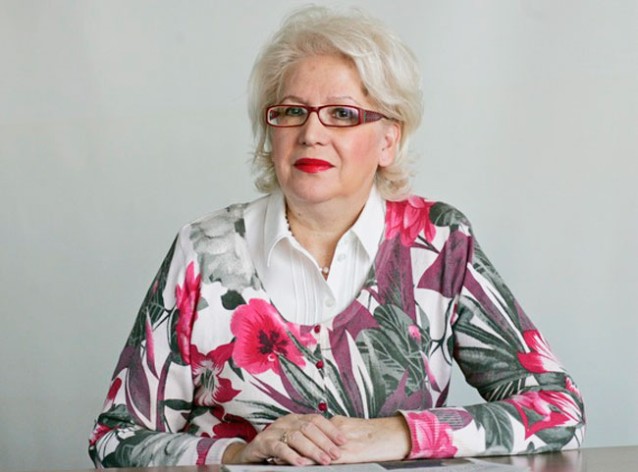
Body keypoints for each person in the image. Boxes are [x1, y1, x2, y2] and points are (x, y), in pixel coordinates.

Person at [89, 5, 585, 467]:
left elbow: (557, 408)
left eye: (343, 114)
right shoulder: (204, 250)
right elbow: (114, 439)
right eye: (291, 112)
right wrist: (238, 453)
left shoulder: (437, 243)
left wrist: (398, 433)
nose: (311, 133)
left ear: (388, 140)